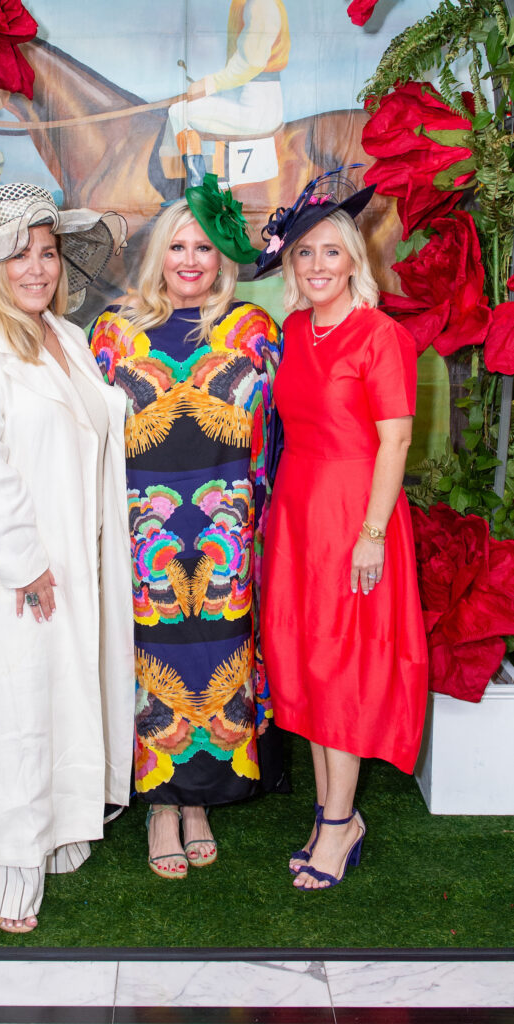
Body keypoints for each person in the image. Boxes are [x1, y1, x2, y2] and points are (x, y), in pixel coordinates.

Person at [0, 182, 134, 932]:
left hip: (72, 559)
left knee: (55, 703)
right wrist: (23, 561)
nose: (37, 268)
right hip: (8, 574)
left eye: (45, 252)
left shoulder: (66, 339)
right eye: (19, 254)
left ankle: (49, 840)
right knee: (7, 714)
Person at [89, 173, 284, 879]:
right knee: (153, 667)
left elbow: (283, 433)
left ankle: (198, 803)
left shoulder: (252, 330)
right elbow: (89, 438)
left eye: (203, 247)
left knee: (215, 662)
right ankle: (159, 807)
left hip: (228, 535)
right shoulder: (113, 330)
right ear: (157, 256)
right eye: (177, 246)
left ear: (221, 258)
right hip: (146, 533)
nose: (191, 260)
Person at [254, 168, 428, 890]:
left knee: (343, 667)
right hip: (297, 513)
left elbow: (393, 441)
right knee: (311, 662)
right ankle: (336, 813)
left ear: (355, 258)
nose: (317, 265)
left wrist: (372, 533)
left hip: (357, 513)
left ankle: (336, 824)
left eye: (331, 251)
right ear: (290, 266)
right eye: (303, 254)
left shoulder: (380, 337)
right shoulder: (294, 328)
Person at [160, 0, 290, 188]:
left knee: (179, 112)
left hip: (257, 105)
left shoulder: (260, 4)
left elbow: (251, 63)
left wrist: (208, 84)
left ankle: (198, 190)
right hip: (251, 96)